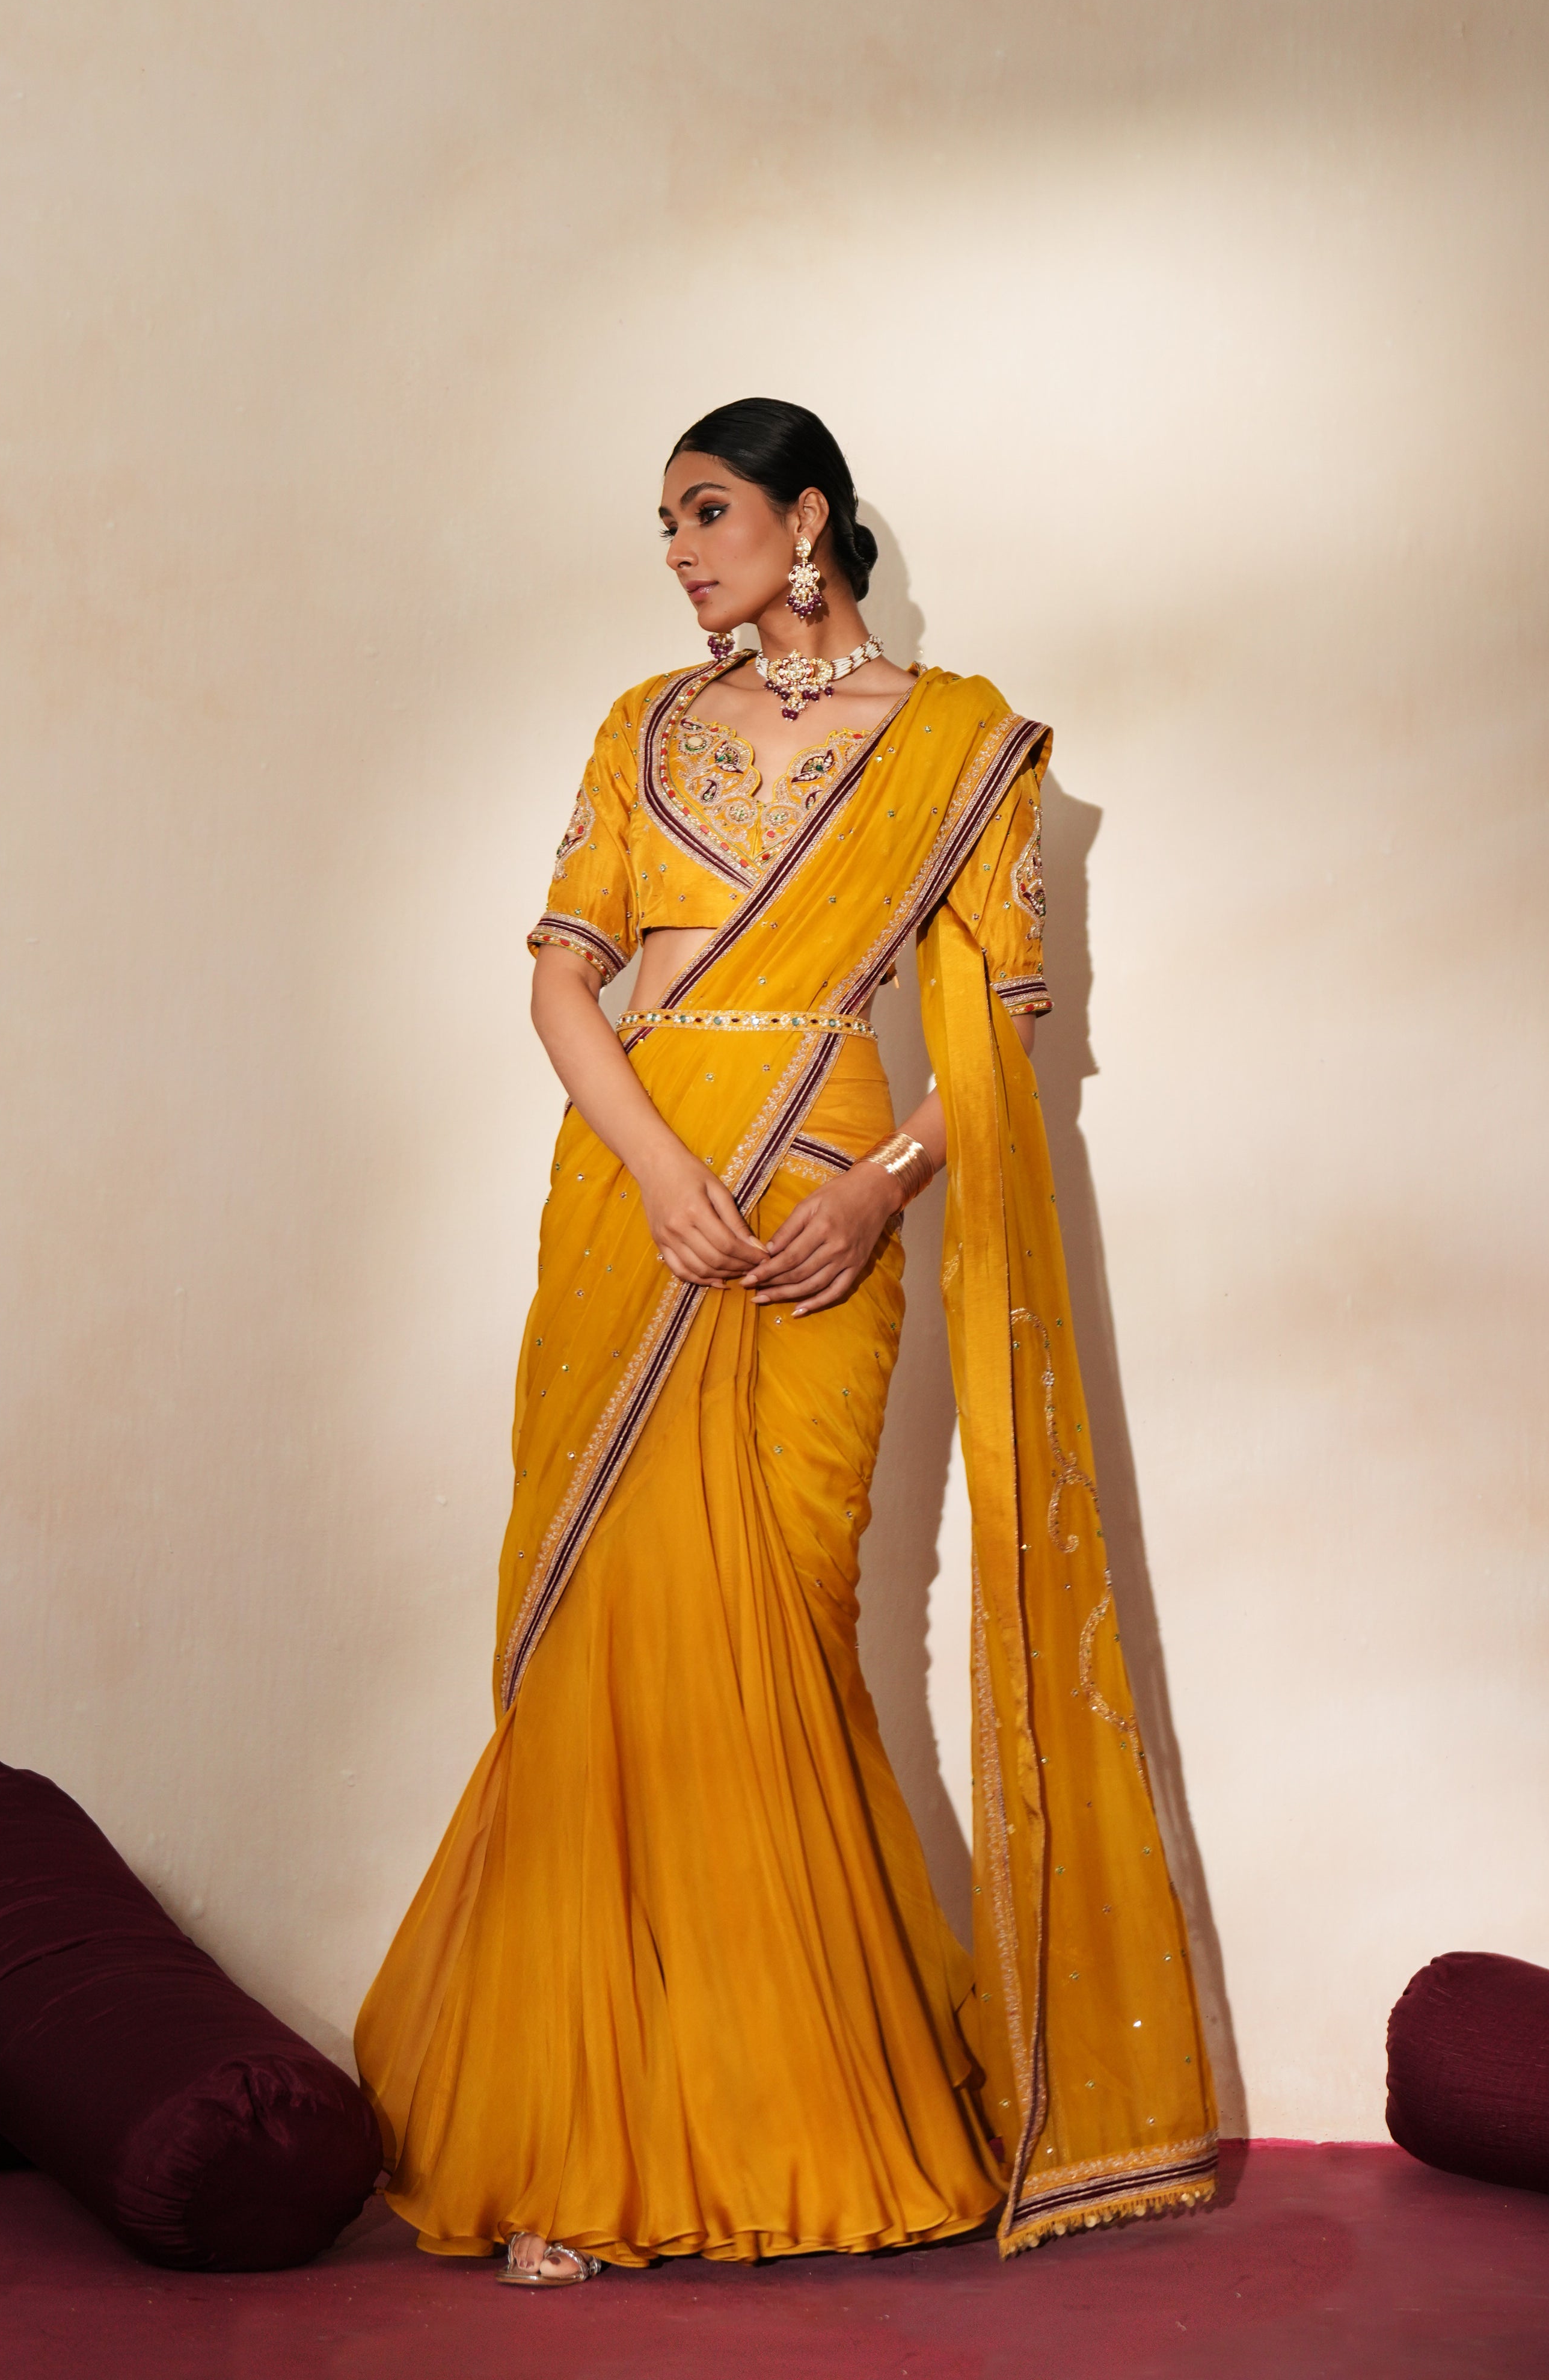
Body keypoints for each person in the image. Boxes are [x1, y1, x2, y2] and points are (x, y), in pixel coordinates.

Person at [355, 399, 1216, 2284]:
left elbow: (1001, 1048)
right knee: (614, 1639)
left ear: (810, 519)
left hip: (823, 1209)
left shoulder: (960, 747)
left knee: (786, 1630)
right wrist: (658, 1166)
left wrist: (879, 1186)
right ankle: (583, 2145)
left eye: (709, 511)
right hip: (634, 1206)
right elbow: (563, 975)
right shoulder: (642, 727)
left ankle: (796, 2113)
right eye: (665, 523)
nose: (679, 551)